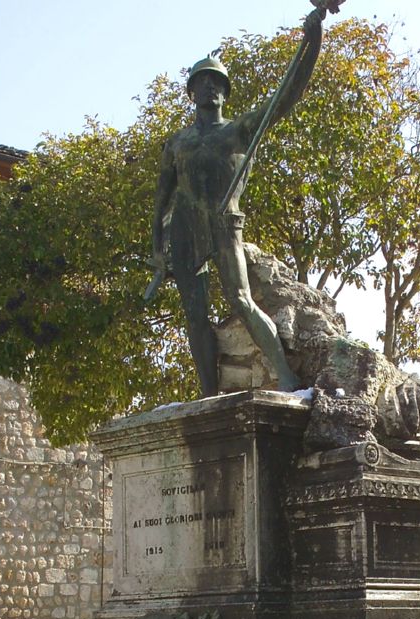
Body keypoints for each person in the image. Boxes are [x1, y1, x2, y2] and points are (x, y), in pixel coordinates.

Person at [149, 5, 328, 397]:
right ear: (192, 91)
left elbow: (287, 96)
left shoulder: (240, 130)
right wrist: (157, 248)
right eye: (203, 81)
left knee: (243, 300)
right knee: (194, 317)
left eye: (217, 82)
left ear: (224, 92)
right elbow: (162, 198)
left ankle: (286, 375)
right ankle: (209, 394)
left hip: (225, 221)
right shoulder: (177, 142)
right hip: (184, 227)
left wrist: (312, 42)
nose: (210, 87)